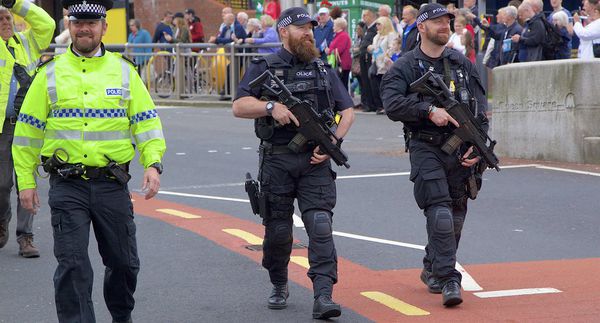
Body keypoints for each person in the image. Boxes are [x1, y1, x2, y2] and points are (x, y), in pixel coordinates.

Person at [12, 0, 166, 321]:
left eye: (91, 23)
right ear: (69, 26)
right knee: (73, 265)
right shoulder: (48, 74)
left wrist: (152, 163)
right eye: (78, 22)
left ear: (104, 27)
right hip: (67, 187)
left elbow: (146, 123)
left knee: (124, 263)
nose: (84, 28)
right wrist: (26, 182)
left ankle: (121, 316)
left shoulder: (124, 71)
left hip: (112, 184)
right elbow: (26, 134)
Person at [232, 7, 355, 319]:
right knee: (278, 232)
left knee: (321, 226)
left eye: (311, 27)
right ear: (283, 31)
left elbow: (348, 110)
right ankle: (279, 281)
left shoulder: (322, 69)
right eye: (301, 28)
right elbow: (239, 105)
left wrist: (334, 143)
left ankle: (324, 295)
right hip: (277, 161)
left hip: (315, 162)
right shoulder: (265, 66)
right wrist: (270, 106)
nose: (309, 32)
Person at [380, 3, 488, 308]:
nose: (445, 25)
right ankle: (448, 277)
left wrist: (477, 149)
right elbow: (391, 104)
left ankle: (431, 266)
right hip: (426, 145)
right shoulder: (405, 66)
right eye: (438, 21)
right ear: (421, 27)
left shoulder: (461, 63)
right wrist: (428, 111)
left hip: (462, 149)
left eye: (448, 21)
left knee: (455, 216)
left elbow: (480, 108)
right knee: (439, 210)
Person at [0, 0, 54, 258]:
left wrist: (16, 4)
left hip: (26, 126)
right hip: (1, 128)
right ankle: (2, 219)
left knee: (26, 180)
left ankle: (26, 236)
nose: (5, 22)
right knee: (2, 183)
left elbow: (48, 24)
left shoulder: (26, 42)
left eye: (8, 18)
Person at [367, 17, 397, 115]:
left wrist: (386, 56)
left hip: (386, 65)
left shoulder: (391, 35)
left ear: (385, 24)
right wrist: (371, 48)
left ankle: (386, 106)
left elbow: (393, 48)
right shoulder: (376, 36)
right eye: (376, 24)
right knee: (376, 86)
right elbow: (374, 48)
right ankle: (379, 106)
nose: (377, 26)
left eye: (379, 24)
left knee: (385, 86)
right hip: (376, 64)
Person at [358, 9, 377, 112]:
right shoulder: (366, 28)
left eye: (365, 15)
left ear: (371, 16)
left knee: (370, 82)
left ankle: (372, 104)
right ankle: (368, 104)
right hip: (363, 58)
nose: (363, 17)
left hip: (369, 59)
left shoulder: (374, 29)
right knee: (365, 82)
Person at [327, 17, 352, 90]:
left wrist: (329, 50)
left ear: (339, 26)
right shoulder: (338, 35)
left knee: (342, 86)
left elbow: (339, 50)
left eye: (334, 25)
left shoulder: (343, 36)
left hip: (342, 65)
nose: (333, 27)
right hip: (339, 64)